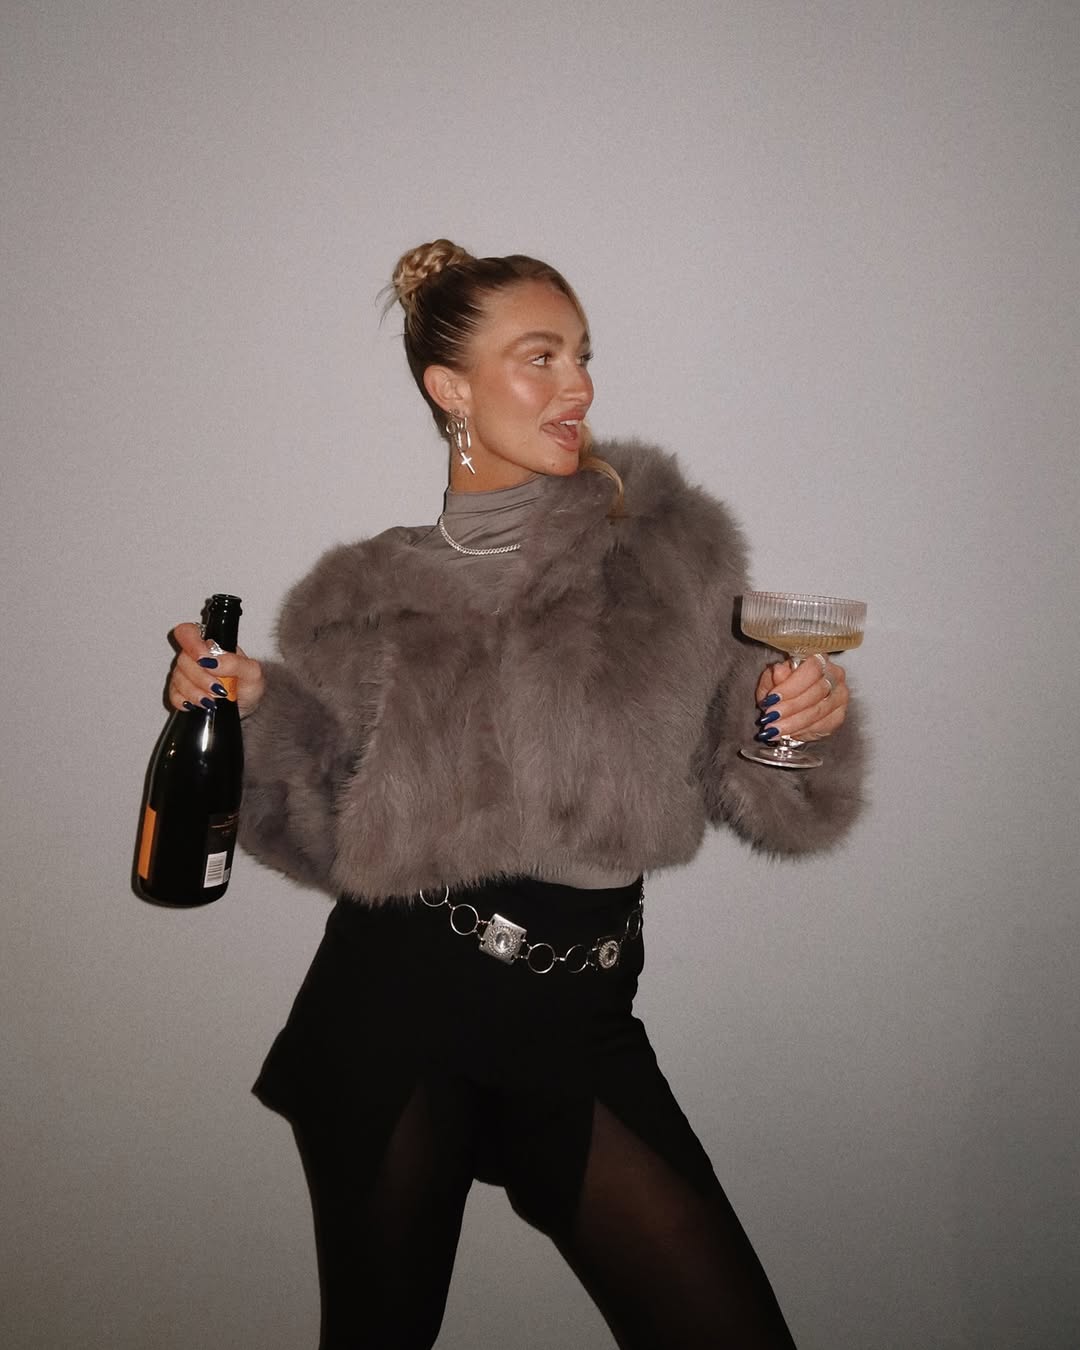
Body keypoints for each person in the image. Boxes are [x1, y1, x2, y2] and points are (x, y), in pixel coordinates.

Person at [168, 240, 864, 1349]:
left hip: (581, 1014)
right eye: (539, 357)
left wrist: (795, 730)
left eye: (582, 355)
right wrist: (254, 708)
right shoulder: (365, 598)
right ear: (452, 388)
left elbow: (755, 772)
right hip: (400, 1002)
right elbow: (338, 834)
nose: (575, 384)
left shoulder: (667, 551)